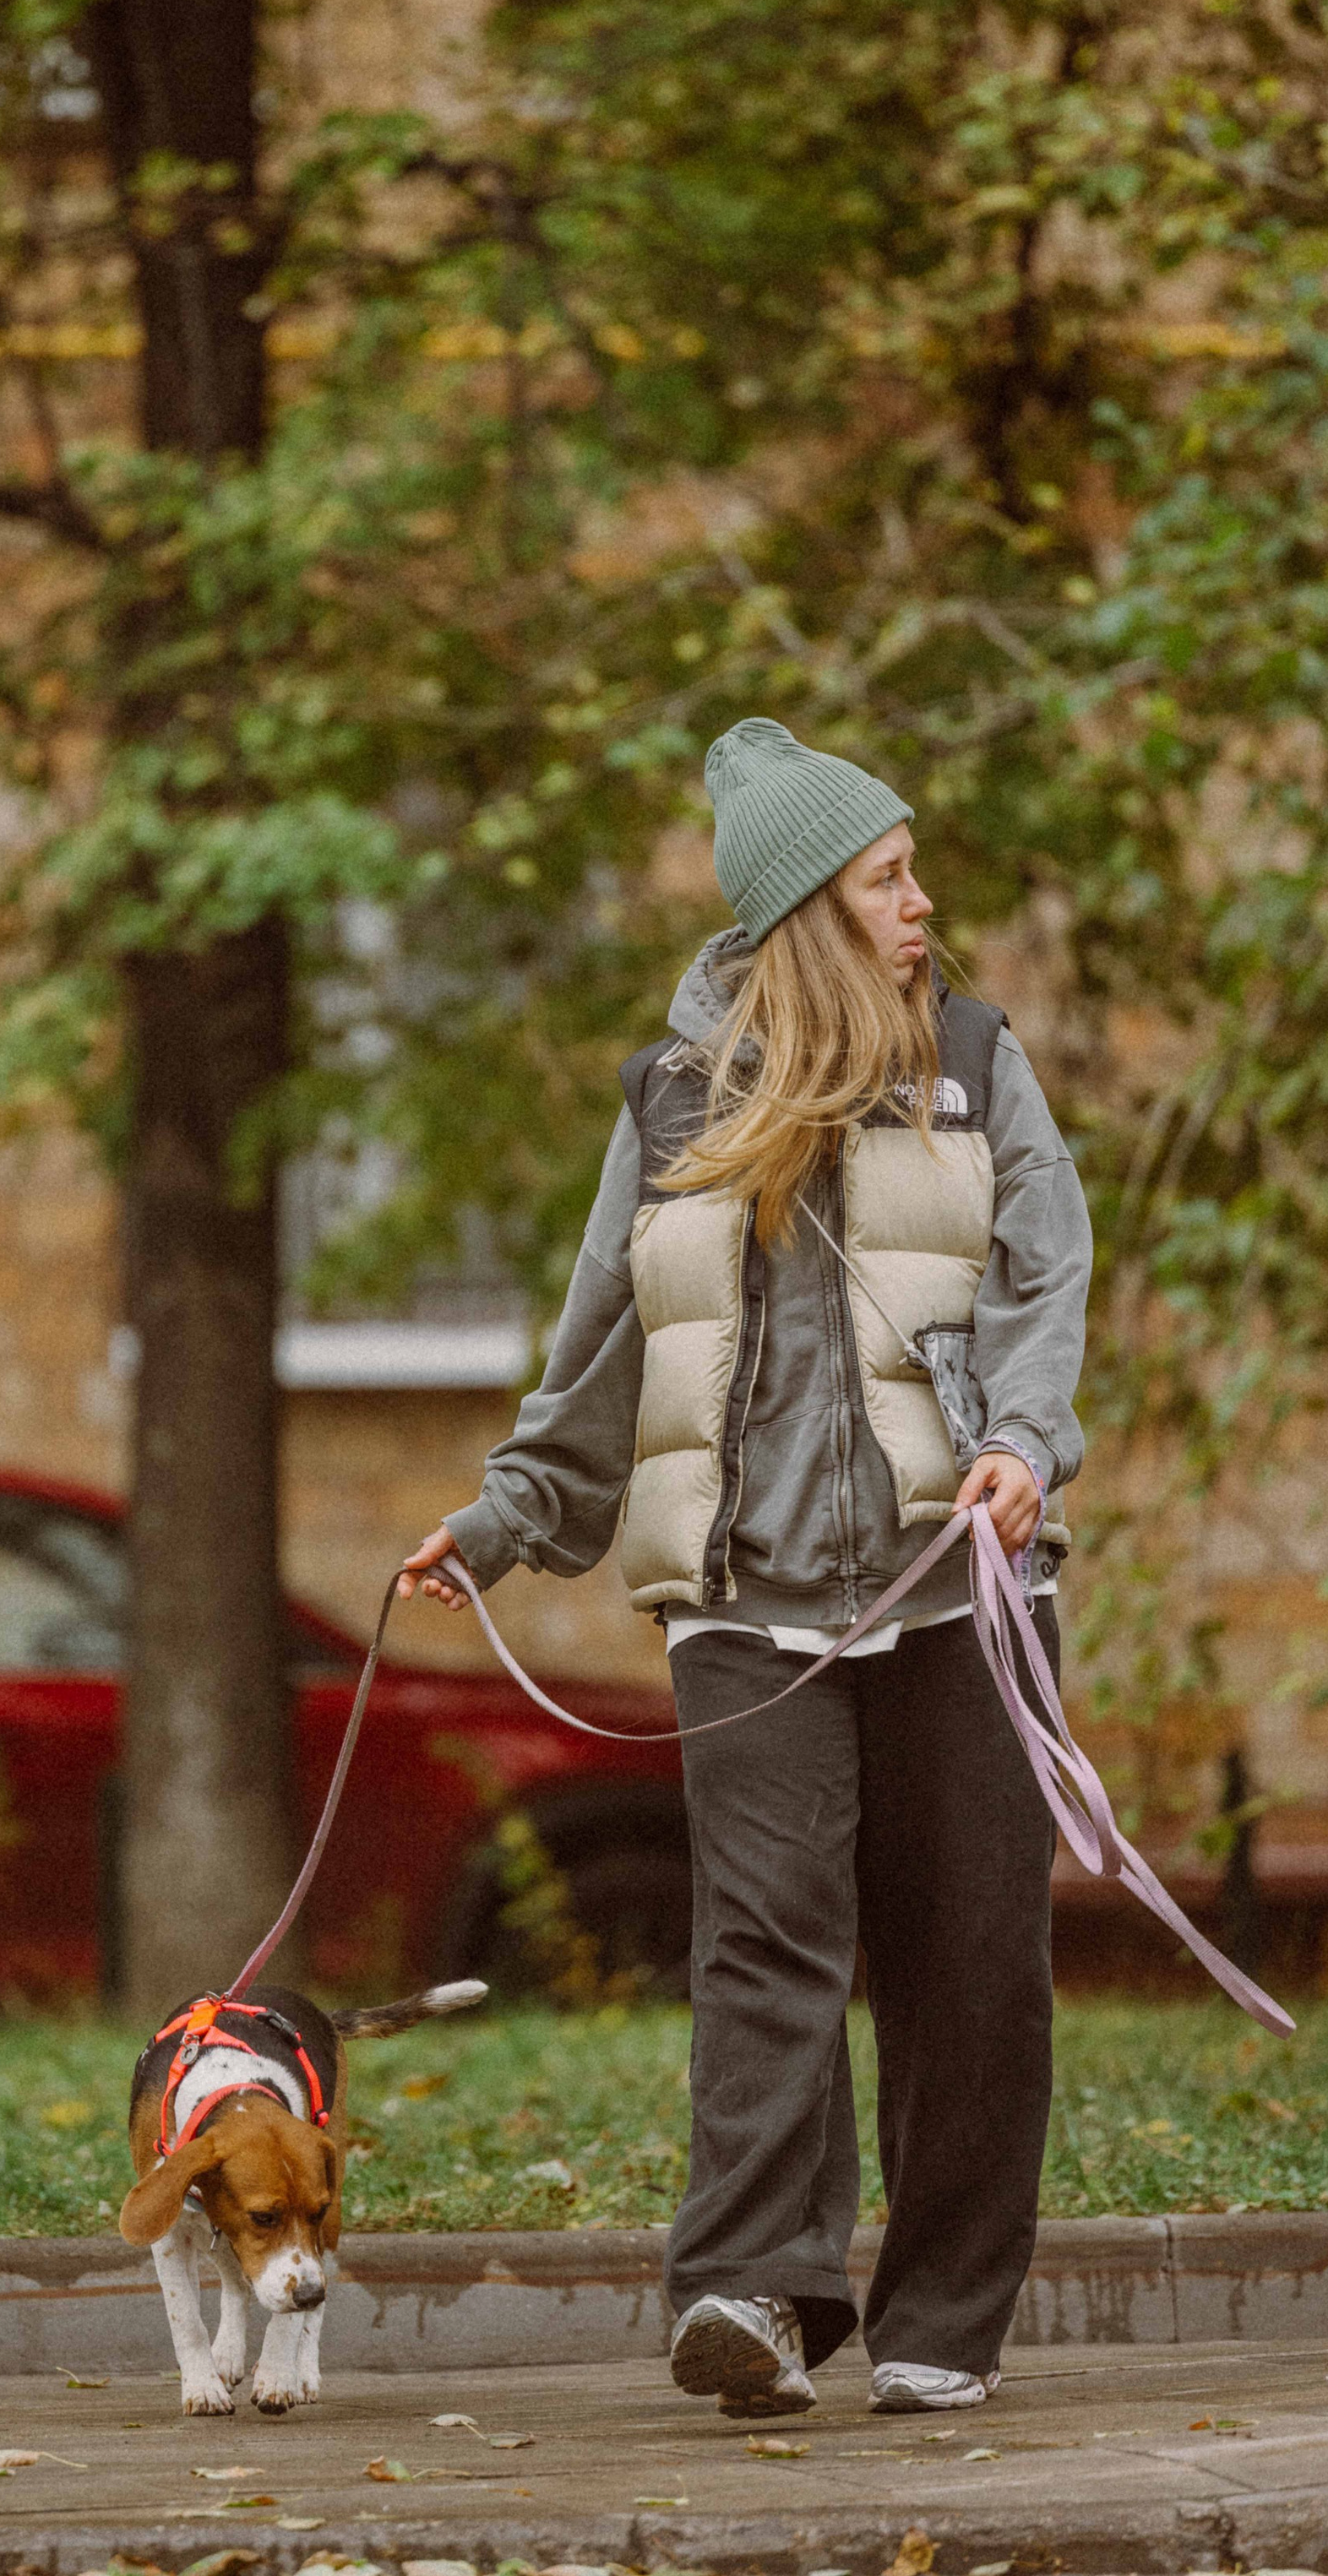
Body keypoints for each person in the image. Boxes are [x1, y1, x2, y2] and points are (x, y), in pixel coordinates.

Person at [400, 718, 1091, 2421]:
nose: (920, 902)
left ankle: (941, 2318)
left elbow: (1041, 1268)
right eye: (887, 878)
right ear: (807, 910)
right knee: (765, 1952)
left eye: (912, 872)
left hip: (954, 1584)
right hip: (744, 1597)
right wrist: (505, 1517)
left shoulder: (972, 1061)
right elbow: (605, 1336)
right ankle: (750, 2292)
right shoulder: (670, 1098)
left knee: (966, 1958)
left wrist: (1023, 1439)